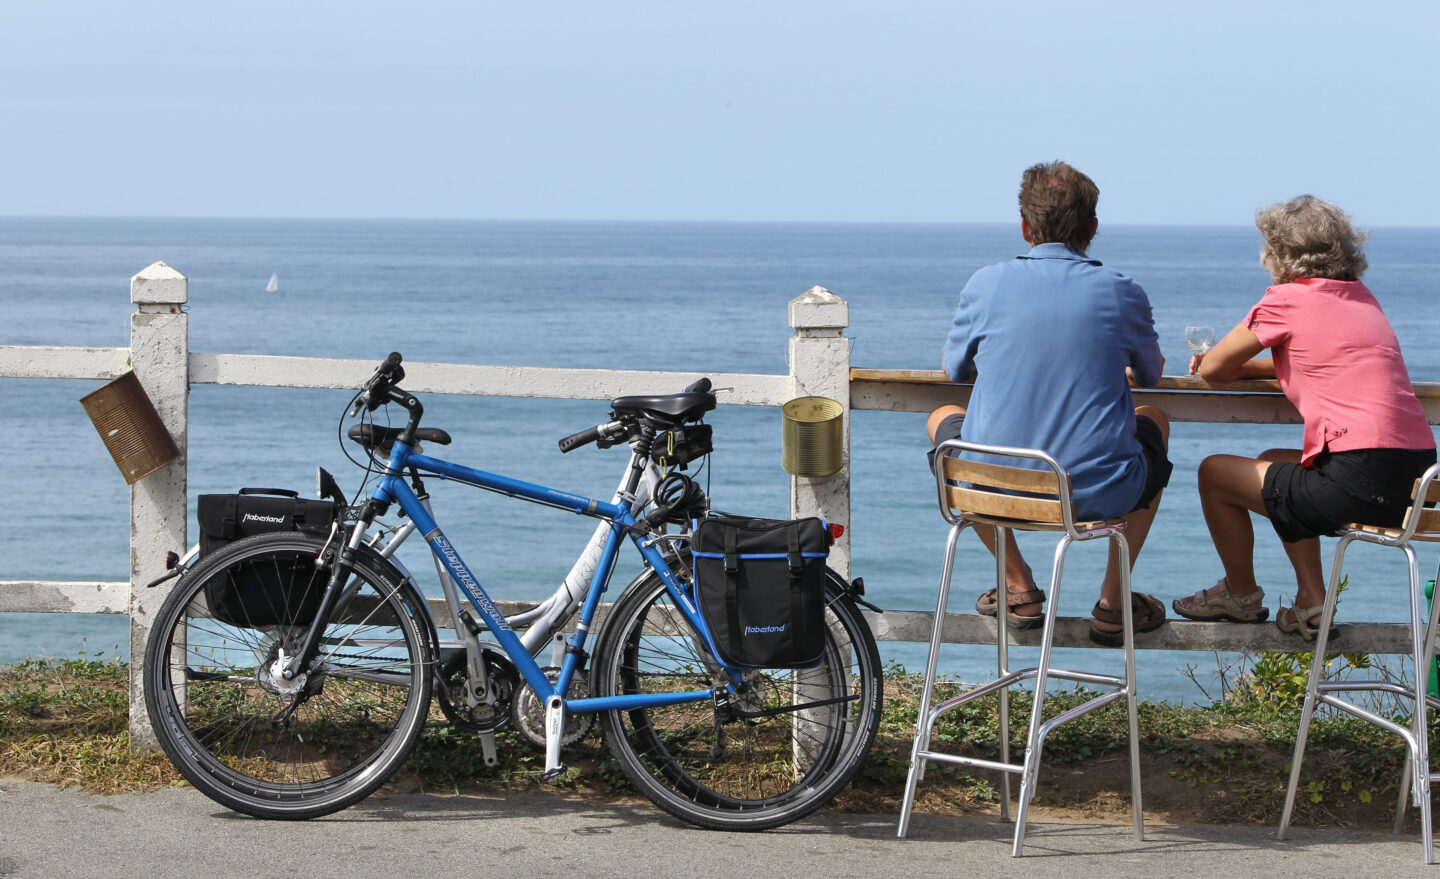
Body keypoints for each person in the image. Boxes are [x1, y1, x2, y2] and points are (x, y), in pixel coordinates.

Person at [929, 160, 1172, 647]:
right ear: (1093, 229)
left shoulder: (984, 283)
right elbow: (1151, 374)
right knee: (1155, 421)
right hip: (1096, 494)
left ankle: (1018, 584)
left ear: (1025, 226)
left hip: (996, 490)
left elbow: (953, 371)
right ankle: (1113, 600)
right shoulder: (1122, 291)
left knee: (942, 423)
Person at [1175, 195, 1436, 639]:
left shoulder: (1287, 299)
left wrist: (1218, 360)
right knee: (1276, 459)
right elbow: (1316, 359)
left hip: (1358, 482)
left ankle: (1239, 595)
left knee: (1214, 472)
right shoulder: (1362, 299)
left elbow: (1217, 368)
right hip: (1419, 480)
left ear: (1279, 253)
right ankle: (1311, 601)